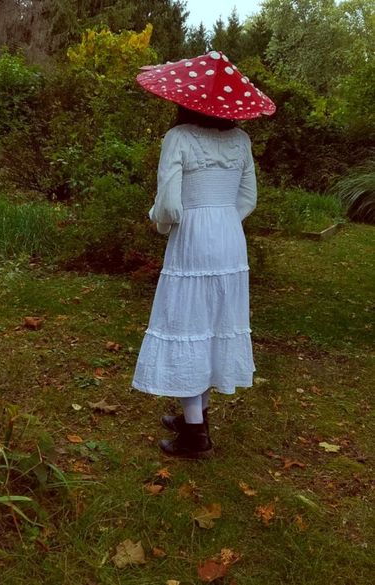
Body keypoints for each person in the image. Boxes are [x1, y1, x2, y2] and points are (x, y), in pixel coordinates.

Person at [132, 51, 276, 459]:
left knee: (188, 323)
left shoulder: (179, 138)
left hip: (193, 237)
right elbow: (248, 198)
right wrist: (224, 219)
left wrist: (161, 222)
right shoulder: (241, 140)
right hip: (230, 237)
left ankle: (195, 436)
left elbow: (170, 206)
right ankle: (195, 416)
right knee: (214, 323)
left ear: (184, 98)